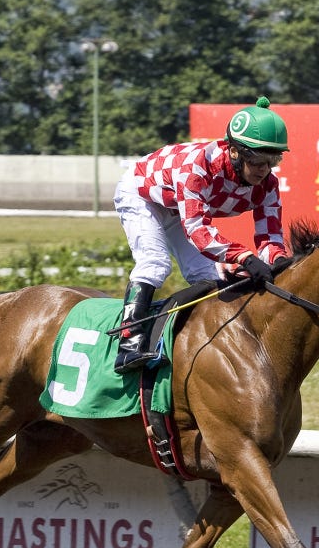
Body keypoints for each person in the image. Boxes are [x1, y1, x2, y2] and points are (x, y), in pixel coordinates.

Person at [112, 96, 292, 373]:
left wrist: (278, 262)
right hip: (141, 194)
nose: (264, 170)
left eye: (273, 160)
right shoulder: (198, 167)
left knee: (206, 277)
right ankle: (128, 342)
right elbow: (198, 231)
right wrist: (244, 257)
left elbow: (270, 235)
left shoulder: (267, 185)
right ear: (235, 152)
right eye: (258, 160)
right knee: (155, 263)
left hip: (177, 206)